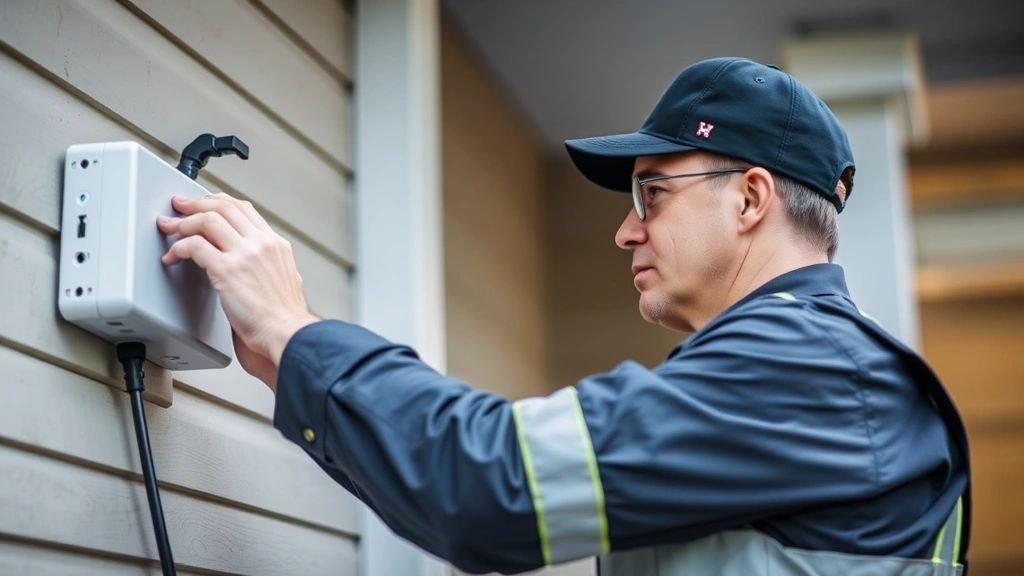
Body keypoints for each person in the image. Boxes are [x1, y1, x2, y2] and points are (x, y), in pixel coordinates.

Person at [157, 57, 971, 575]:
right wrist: (295, 367)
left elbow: (492, 485)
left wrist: (299, 337)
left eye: (652, 192)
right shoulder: (809, 371)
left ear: (752, 197)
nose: (626, 228)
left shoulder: (808, 370)